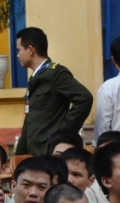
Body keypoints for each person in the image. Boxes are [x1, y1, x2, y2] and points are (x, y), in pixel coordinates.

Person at [14, 27, 93, 157]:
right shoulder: (35, 78)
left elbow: (84, 98)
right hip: (36, 155)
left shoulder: (55, 73)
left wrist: (62, 134)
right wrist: (19, 156)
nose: (17, 55)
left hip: (51, 153)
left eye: (19, 50)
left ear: (30, 50)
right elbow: (29, 121)